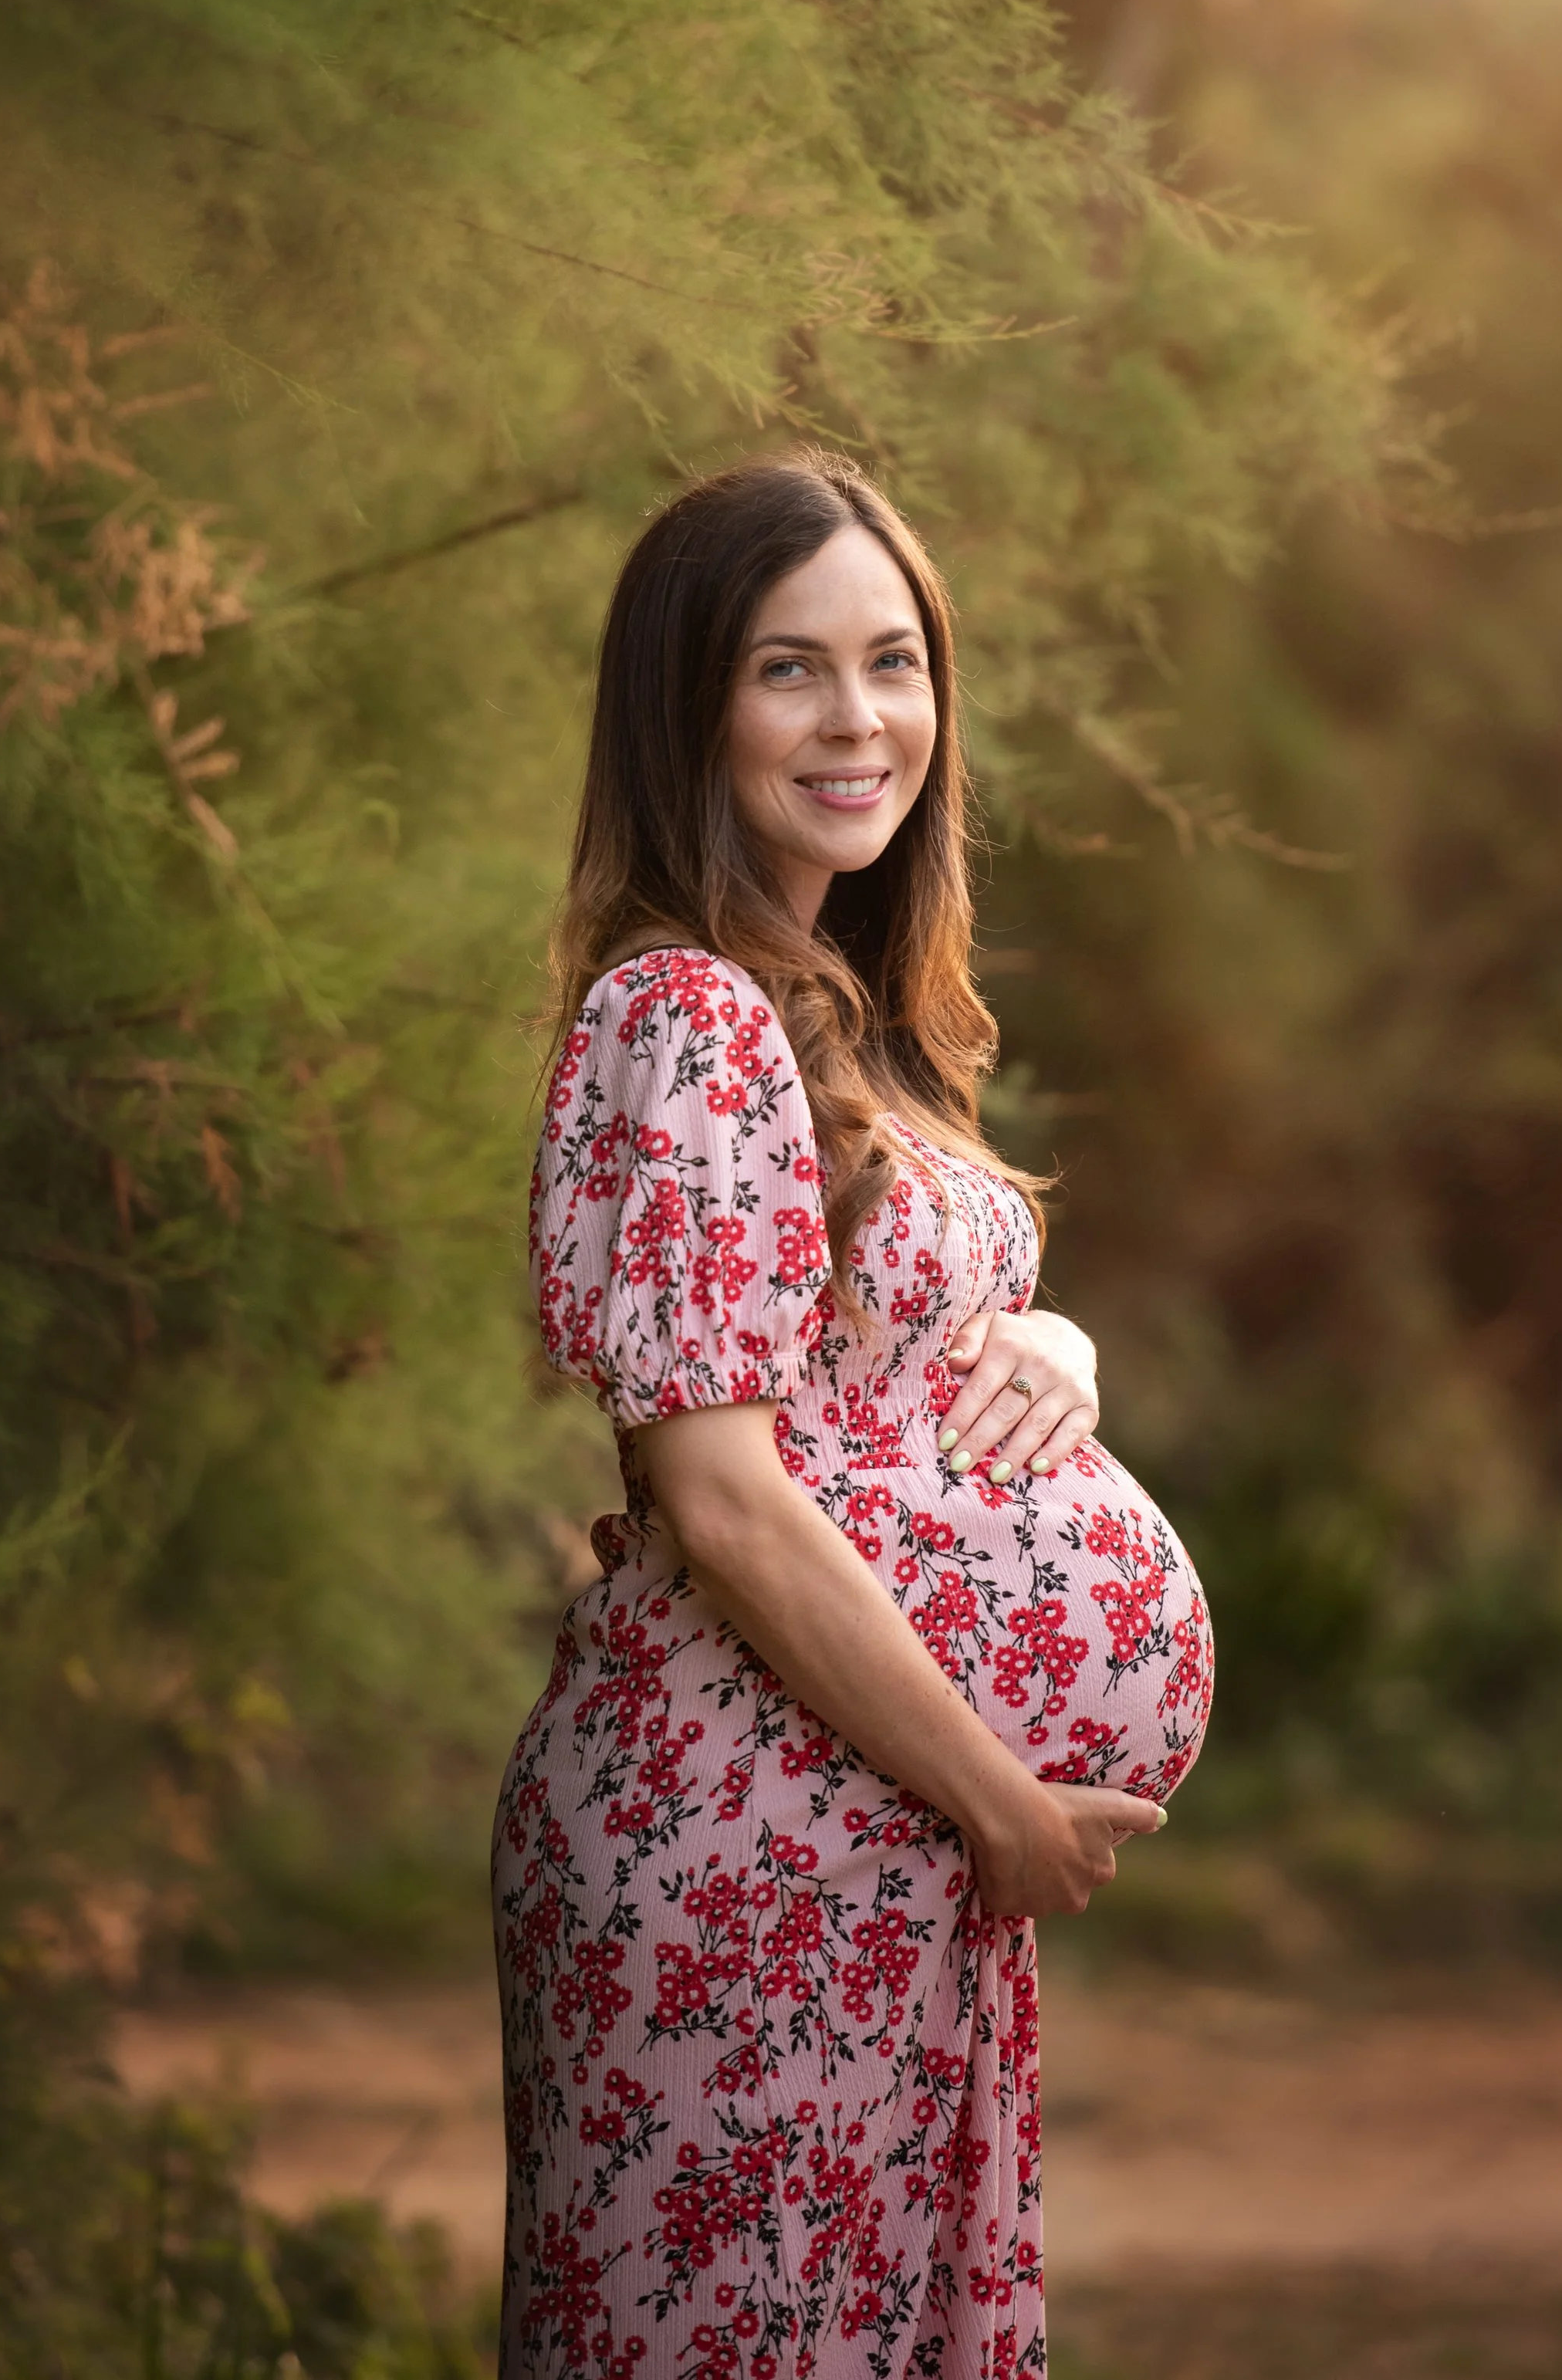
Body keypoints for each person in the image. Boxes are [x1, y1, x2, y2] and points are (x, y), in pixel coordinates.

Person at [492, 451, 1213, 2378]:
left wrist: (1052, 1353)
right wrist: (998, 1805)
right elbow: (717, 1496)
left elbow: (859, 1370)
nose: (857, 721)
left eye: (890, 663)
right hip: (749, 1841)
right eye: (784, 670)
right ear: (686, 707)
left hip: (857, 1835)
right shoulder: (694, 1013)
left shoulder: (838, 1014)